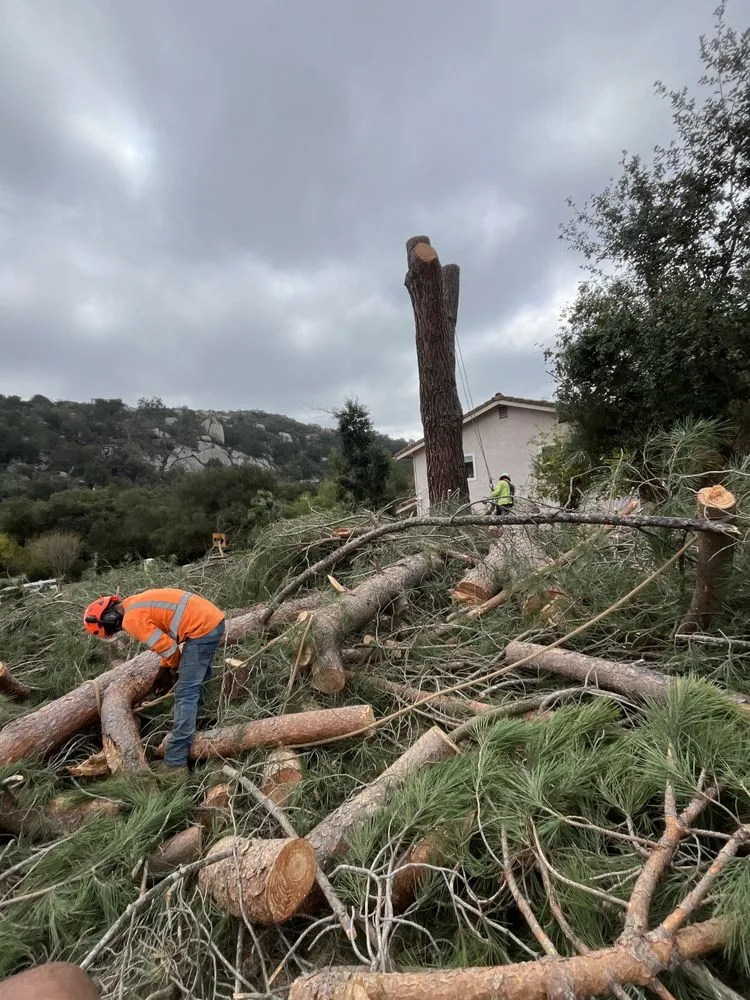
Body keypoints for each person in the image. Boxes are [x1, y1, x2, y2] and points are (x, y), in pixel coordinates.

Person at [83, 588, 225, 772]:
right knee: (199, 678)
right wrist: (165, 667)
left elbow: (168, 647)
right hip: (212, 621)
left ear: (109, 619)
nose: (116, 630)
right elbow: (166, 645)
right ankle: (203, 724)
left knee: (185, 694)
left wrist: (172, 666)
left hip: (202, 630)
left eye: (111, 629)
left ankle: (175, 763)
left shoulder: (131, 619)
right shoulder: (132, 603)